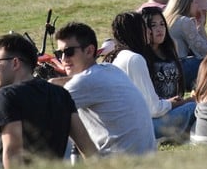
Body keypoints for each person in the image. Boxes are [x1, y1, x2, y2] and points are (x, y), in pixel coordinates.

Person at [0, 33, 97, 169]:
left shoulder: (8, 95)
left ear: (15, 63)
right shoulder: (61, 94)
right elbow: (88, 147)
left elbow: (13, 152)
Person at [52, 21, 156, 156]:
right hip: (147, 161)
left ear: (89, 51)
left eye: (69, 52)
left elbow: (42, 114)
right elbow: (81, 82)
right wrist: (53, 82)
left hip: (118, 167)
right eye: (59, 54)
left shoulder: (84, 82)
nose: (64, 59)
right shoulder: (110, 69)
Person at [104, 12, 195, 143]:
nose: (149, 31)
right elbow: (153, 109)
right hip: (140, 130)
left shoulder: (120, 55)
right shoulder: (134, 59)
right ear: (136, 31)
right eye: (145, 27)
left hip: (125, 128)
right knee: (194, 107)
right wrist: (175, 103)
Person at [163, 0, 207, 90]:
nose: (198, 6)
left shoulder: (166, 17)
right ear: (187, 3)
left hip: (165, 67)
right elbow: (206, 51)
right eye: (195, 2)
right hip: (179, 69)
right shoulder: (184, 22)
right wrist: (201, 27)